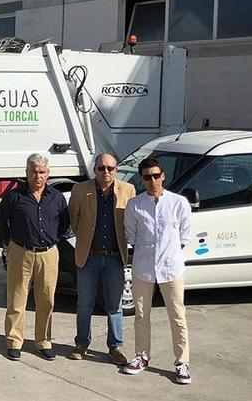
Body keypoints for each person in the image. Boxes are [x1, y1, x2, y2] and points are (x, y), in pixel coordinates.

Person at [122, 157, 193, 384]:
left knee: (177, 316)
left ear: (163, 176)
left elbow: (184, 236)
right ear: (142, 180)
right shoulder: (134, 205)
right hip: (143, 269)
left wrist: (167, 254)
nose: (152, 180)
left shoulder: (179, 203)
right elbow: (131, 236)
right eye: (147, 177)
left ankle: (182, 363)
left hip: (171, 269)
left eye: (156, 175)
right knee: (141, 316)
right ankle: (142, 356)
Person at [0, 153, 69, 361]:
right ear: (27, 172)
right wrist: (12, 242)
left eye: (42, 172)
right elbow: (0, 222)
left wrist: (52, 239)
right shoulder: (14, 196)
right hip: (20, 252)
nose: (38, 176)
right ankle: (14, 341)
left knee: (46, 300)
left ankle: (43, 341)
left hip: (48, 254)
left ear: (48, 173)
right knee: (16, 299)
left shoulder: (57, 197)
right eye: (34, 172)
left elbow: (64, 224)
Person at [68, 153, 135, 364]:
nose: (106, 172)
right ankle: (81, 343)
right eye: (101, 168)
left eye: (110, 168)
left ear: (116, 170)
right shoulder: (81, 190)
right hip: (89, 257)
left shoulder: (127, 190)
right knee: (84, 304)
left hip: (115, 258)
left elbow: (132, 221)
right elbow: (74, 220)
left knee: (114, 305)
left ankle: (115, 347)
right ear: (94, 169)